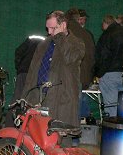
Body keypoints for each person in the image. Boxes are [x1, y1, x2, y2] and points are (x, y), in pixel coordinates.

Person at [22, 11, 85, 146]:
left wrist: (61, 36)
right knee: (38, 139)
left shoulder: (77, 43)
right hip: (40, 98)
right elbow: (33, 72)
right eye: (47, 28)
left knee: (61, 143)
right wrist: (26, 97)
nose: (50, 32)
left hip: (62, 101)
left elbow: (69, 58)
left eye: (53, 28)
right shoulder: (44, 44)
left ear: (63, 25)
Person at [5, 35, 45, 127]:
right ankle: (30, 128)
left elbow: (18, 51)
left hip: (23, 72)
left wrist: (20, 67)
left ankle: (9, 126)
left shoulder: (32, 39)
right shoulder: (49, 42)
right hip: (35, 74)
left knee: (17, 99)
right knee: (34, 101)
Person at [66, 8, 95, 122]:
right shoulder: (87, 35)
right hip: (83, 75)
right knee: (78, 104)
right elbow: (92, 57)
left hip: (70, 75)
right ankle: (76, 134)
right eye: (81, 19)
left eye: (84, 19)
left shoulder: (65, 33)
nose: (83, 21)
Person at [94, 14, 123, 117]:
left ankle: (113, 131)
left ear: (105, 23)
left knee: (111, 107)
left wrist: (98, 73)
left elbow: (103, 56)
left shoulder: (107, 35)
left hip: (109, 73)